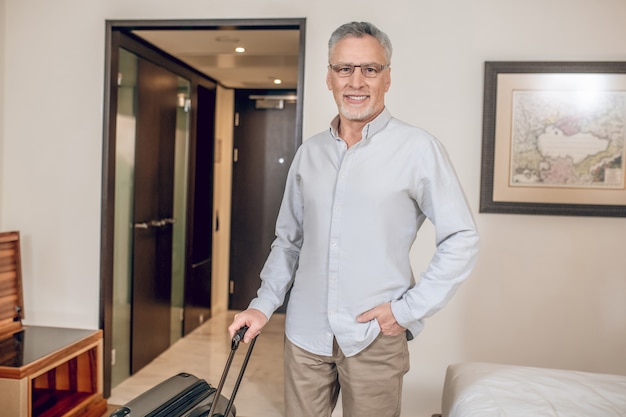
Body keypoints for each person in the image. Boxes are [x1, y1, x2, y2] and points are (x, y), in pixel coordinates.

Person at [228, 21, 480, 417]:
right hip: (304, 336)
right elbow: (289, 242)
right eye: (344, 69)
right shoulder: (308, 154)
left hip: (373, 338)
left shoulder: (418, 149)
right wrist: (263, 305)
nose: (356, 81)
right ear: (329, 77)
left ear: (387, 78)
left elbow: (462, 236)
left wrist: (407, 310)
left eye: (370, 69)